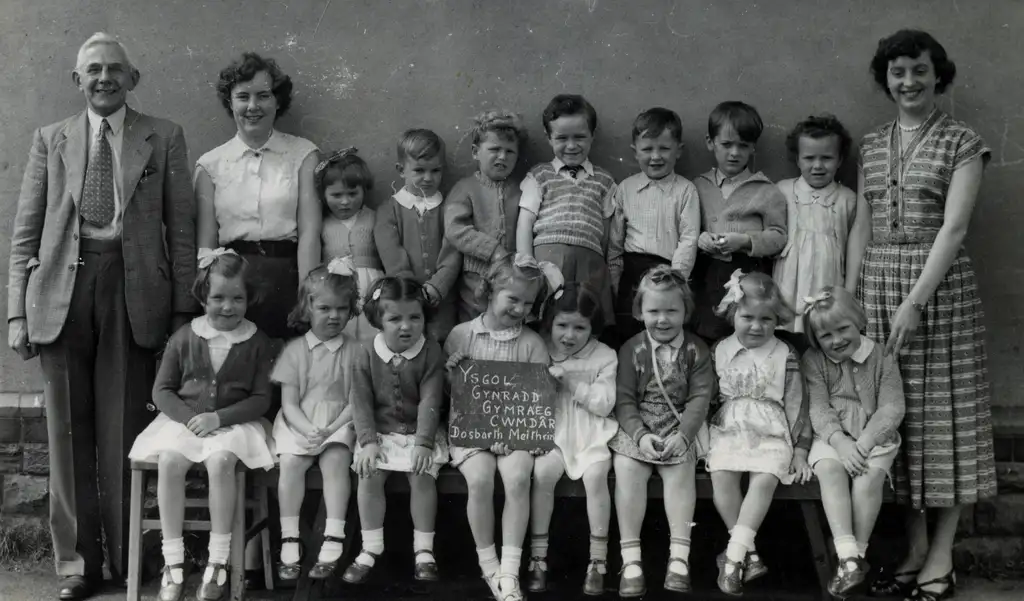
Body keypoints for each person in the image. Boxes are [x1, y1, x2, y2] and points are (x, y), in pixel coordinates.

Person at [6, 32, 197, 600]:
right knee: (65, 433)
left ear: (132, 79)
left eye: (115, 69)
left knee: (124, 431)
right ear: (77, 79)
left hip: (132, 288)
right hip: (60, 291)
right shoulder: (50, 139)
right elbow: (24, 234)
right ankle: (75, 567)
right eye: (93, 70)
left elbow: (181, 231)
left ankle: (129, 559)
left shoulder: (163, 137)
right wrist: (16, 313)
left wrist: (184, 309)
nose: (104, 78)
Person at [845, 30, 997, 601]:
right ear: (886, 79)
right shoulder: (873, 142)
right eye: (898, 72)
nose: (909, 81)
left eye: (920, 71)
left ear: (939, 75)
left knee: (944, 419)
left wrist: (915, 301)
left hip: (939, 291)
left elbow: (954, 229)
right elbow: (863, 222)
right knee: (895, 417)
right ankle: (912, 548)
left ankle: (941, 555)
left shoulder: (962, 142)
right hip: (877, 285)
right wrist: (851, 294)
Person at [129, 249, 275, 601]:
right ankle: (174, 562)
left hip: (233, 424)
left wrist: (219, 418)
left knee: (221, 462)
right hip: (185, 422)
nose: (228, 307)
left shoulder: (257, 341)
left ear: (249, 298)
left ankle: (219, 561)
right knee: (169, 461)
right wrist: (189, 420)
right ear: (202, 297)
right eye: (218, 298)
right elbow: (161, 390)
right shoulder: (185, 336)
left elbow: (261, 399)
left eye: (237, 298)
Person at [444, 253, 559, 601]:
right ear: (489, 291)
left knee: (518, 477)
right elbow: (453, 395)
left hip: (514, 433)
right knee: (479, 479)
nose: (519, 309)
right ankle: (488, 563)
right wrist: (453, 372)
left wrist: (511, 434)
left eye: (527, 303)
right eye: (513, 299)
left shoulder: (532, 344)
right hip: (472, 432)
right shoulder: (461, 335)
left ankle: (510, 570)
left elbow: (539, 399)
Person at [195, 51, 320, 340]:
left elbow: (310, 233)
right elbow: (206, 246)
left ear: (278, 101)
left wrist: (306, 296)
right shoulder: (209, 165)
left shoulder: (303, 155)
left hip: (286, 279)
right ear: (230, 102)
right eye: (243, 96)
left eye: (263, 96)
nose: (253, 106)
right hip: (232, 286)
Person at [608, 266, 715, 598]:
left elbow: (700, 397)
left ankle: (679, 557)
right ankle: (632, 559)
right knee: (627, 469)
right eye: (654, 311)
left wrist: (683, 435)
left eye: (672, 310)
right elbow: (624, 400)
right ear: (640, 311)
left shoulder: (697, 350)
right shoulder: (631, 349)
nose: (663, 319)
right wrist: (639, 435)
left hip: (679, 424)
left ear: (686, 311)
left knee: (680, 473)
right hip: (637, 424)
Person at [705, 271, 812, 596]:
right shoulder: (720, 350)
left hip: (771, 428)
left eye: (766, 319)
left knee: (765, 476)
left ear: (776, 319)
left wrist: (801, 448)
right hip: (729, 426)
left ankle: (734, 556)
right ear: (732, 314)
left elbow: (797, 403)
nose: (756, 326)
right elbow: (707, 397)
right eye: (747, 317)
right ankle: (747, 552)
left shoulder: (785, 353)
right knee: (721, 474)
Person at [802, 287, 905, 598]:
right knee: (830, 472)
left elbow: (892, 406)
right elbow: (818, 408)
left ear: (859, 320)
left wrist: (865, 443)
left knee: (867, 478)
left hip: (874, 438)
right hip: (830, 437)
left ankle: (855, 557)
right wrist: (841, 443)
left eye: (843, 329)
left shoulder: (881, 355)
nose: (836, 340)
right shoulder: (814, 360)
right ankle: (846, 553)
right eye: (825, 335)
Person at [346, 277, 449, 583]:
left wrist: (423, 443)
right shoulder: (365, 352)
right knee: (369, 472)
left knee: (422, 474)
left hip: (421, 432)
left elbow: (432, 398)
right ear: (379, 320)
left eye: (415, 317)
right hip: (380, 433)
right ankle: (371, 547)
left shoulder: (430, 351)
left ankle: (423, 550)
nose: (406, 327)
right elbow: (360, 400)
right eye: (395, 319)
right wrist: (367, 441)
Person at [271, 259, 362, 582]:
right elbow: (290, 404)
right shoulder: (296, 351)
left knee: (336, 460)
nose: (334, 316)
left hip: (339, 422)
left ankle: (334, 534)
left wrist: (331, 430)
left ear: (351, 310)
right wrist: (310, 430)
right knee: (292, 464)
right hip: (301, 423)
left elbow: (356, 402)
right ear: (308, 306)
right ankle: (290, 536)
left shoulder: (356, 351)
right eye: (324, 308)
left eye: (341, 308)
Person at [525, 283, 618, 596]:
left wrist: (574, 384)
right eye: (562, 325)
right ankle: (538, 557)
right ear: (550, 322)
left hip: (590, 431)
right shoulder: (539, 348)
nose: (569, 335)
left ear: (593, 328)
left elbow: (605, 404)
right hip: (552, 430)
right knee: (542, 473)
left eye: (580, 327)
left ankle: (598, 561)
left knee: (595, 477)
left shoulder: (604, 355)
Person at [516, 94, 617, 326]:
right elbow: (525, 222)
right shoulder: (539, 175)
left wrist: (599, 262)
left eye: (580, 137)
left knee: (585, 317)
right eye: (562, 138)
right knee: (547, 318)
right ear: (549, 138)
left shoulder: (604, 180)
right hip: (547, 258)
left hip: (589, 261)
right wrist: (525, 263)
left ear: (592, 135)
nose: (571, 146)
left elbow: (608, 228)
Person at [691, 101, 787, 343]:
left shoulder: (766, 190)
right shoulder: (698, 185)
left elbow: (778, 236)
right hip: (707, 272)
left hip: (748, 273)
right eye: (726, 144)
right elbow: (688, 227)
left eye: (743, 146)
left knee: (742, 330)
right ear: (710, 142)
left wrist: (744, 241)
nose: (734, 152)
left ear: (753, 147)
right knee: (706, 329)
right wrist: (701, 238)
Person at [607, 108, 700, 344]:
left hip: (669, 272)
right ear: (635, 152)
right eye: (647, 149)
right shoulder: (625, 189)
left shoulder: (686, 190)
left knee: (663, 331)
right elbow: (616, 242)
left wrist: (676, 279)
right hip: (632, 272)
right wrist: (615, 281)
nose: (656, 156)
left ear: (678, 151)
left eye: (664, 149)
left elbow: (689, 238)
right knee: (629, 333)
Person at [375, 129, 461, 343]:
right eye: (419, 170)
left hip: (442, 298)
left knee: (441, 343)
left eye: (435, 171)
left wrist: (437, 285)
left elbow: (453, 251)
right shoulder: (389, 210)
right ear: (401, 170)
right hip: (405, 299)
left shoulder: (449, 207)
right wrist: (410, 289)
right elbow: (391, 253)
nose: (428, 178)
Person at [773, 115, 857, 331]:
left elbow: (852, 246)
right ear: (798, 159)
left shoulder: (847, 199)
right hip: (790, 279)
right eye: (809, 158)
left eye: (827, 158)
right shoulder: (783, 190)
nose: (818, 165)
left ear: (839, 160)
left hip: (828, 276)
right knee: (788, 330)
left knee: (824, 328)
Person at [445, 109, 528, 322]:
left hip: (513, 279)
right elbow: (455, 229)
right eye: (494, 149)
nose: (502, 156)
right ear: (475, 152)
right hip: (476, 276)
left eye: (510, 152)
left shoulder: (522, 189)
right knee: (474, 324)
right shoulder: (465, 189)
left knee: (509, 322)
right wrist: (492, 251)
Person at [317, 147, 384, 342]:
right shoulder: (322, 224)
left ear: (364, 189)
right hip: (334, 287)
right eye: (336, 195)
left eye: (353, 194)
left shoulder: (375, 218)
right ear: (323, 195)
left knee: (371, 333)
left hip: (370, 285)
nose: (345, 202)